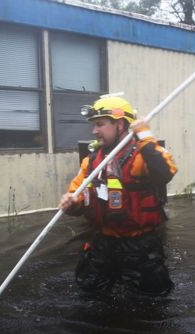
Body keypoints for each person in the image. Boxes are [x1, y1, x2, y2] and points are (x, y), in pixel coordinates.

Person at [58, 95, 177, 296]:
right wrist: (72, 202)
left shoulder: (142, 154)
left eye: (100, 124)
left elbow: (165, 172)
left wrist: (145, 135)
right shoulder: (91, 161)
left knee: (150, 300)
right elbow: (78, 193)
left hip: (139, 245)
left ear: (120, 124)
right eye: (94, 125)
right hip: (102, 242)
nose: (94, 131)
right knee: (91, 292)